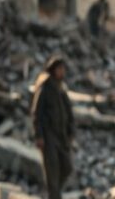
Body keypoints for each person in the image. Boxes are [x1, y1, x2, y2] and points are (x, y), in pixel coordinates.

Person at [31, 56, 75, 199]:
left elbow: (68, 112)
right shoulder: (45, 87)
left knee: (67, 167)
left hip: (61, 136)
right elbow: (37, 112)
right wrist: (39, 135)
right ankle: (54, 195)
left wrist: (71, 131)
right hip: (49, 136)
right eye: (60, 69)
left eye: (64, 69)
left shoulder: (61, 88)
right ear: (53, 69)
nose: (62, 72)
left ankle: (54, 193)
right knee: (52, 171)